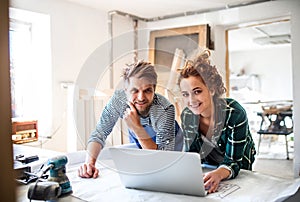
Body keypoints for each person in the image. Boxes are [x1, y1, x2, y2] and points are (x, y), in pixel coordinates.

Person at [78, 61, 183, 178]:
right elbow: (99, 133)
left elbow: (162, 159)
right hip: (145, 151)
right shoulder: (119, 99)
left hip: (174, 156)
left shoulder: (165, 109)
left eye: (147, 90)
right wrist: (89, 163)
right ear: (126, 90)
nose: (141, 97)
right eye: (135, 90)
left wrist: (137, 128)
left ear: (154, 89)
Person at [178, 50, 256, 193]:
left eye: (197, 91)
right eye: (185, 94)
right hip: (209, 165)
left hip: (238, 164)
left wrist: (219, 174)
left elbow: (234, 161)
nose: (191, 100)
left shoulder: (235, 113)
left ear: (212, 89)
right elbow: (191, 154)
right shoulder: (187, 116)